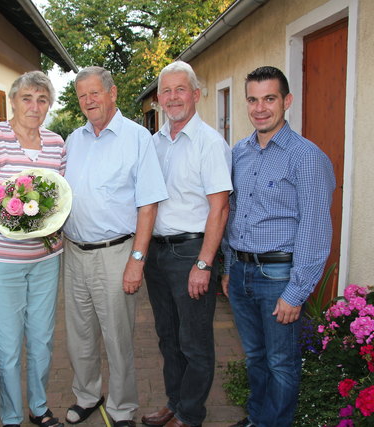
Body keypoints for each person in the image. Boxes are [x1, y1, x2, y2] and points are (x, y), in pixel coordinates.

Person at [223, 66, 335, 427]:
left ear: (286, 101)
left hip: (278, 276)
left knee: (281, 361)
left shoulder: (307, 157)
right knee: (255, 357)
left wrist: (297, 290)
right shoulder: (239, 152)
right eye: (253, 100)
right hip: (240, 272)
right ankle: (258, 418)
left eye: (269, 98)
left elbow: (315, 227)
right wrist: (228, 268)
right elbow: (233, 211)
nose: (260, 108)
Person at [62, 66, 168, 427]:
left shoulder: (138, 139)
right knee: (79, 336)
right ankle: (87, 396)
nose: (88, 101)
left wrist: (137, 259)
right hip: (74, 252)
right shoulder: (73, 140)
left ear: (112, 93)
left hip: (116, 253)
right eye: (82, 96)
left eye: (94, 93)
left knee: (117, 337)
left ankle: (122, 407)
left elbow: (148, 204)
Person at [0, 71, 65, 427]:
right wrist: (22, 205)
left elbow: (61, 200)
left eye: (42, 99)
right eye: (27, 98)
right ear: (13, 101)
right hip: (0, 260)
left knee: (42, 340)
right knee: (8, 346)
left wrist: (47, 216)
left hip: (45, 260)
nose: (34, 107)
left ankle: (38, 408)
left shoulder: (56, 143)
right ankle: (10, 416)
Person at [140, 61, 232, 427]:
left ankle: (191, 415)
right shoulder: (155, 142)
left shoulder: (210, 144)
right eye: (167, 90)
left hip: (191, 254)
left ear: (195, 95)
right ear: (159, 98)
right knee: (167, 338)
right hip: (158, 255)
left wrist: (205, 264)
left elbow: (220, 208)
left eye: (181, 89)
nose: (173, 97)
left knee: (194, 342)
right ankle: (174, 403)